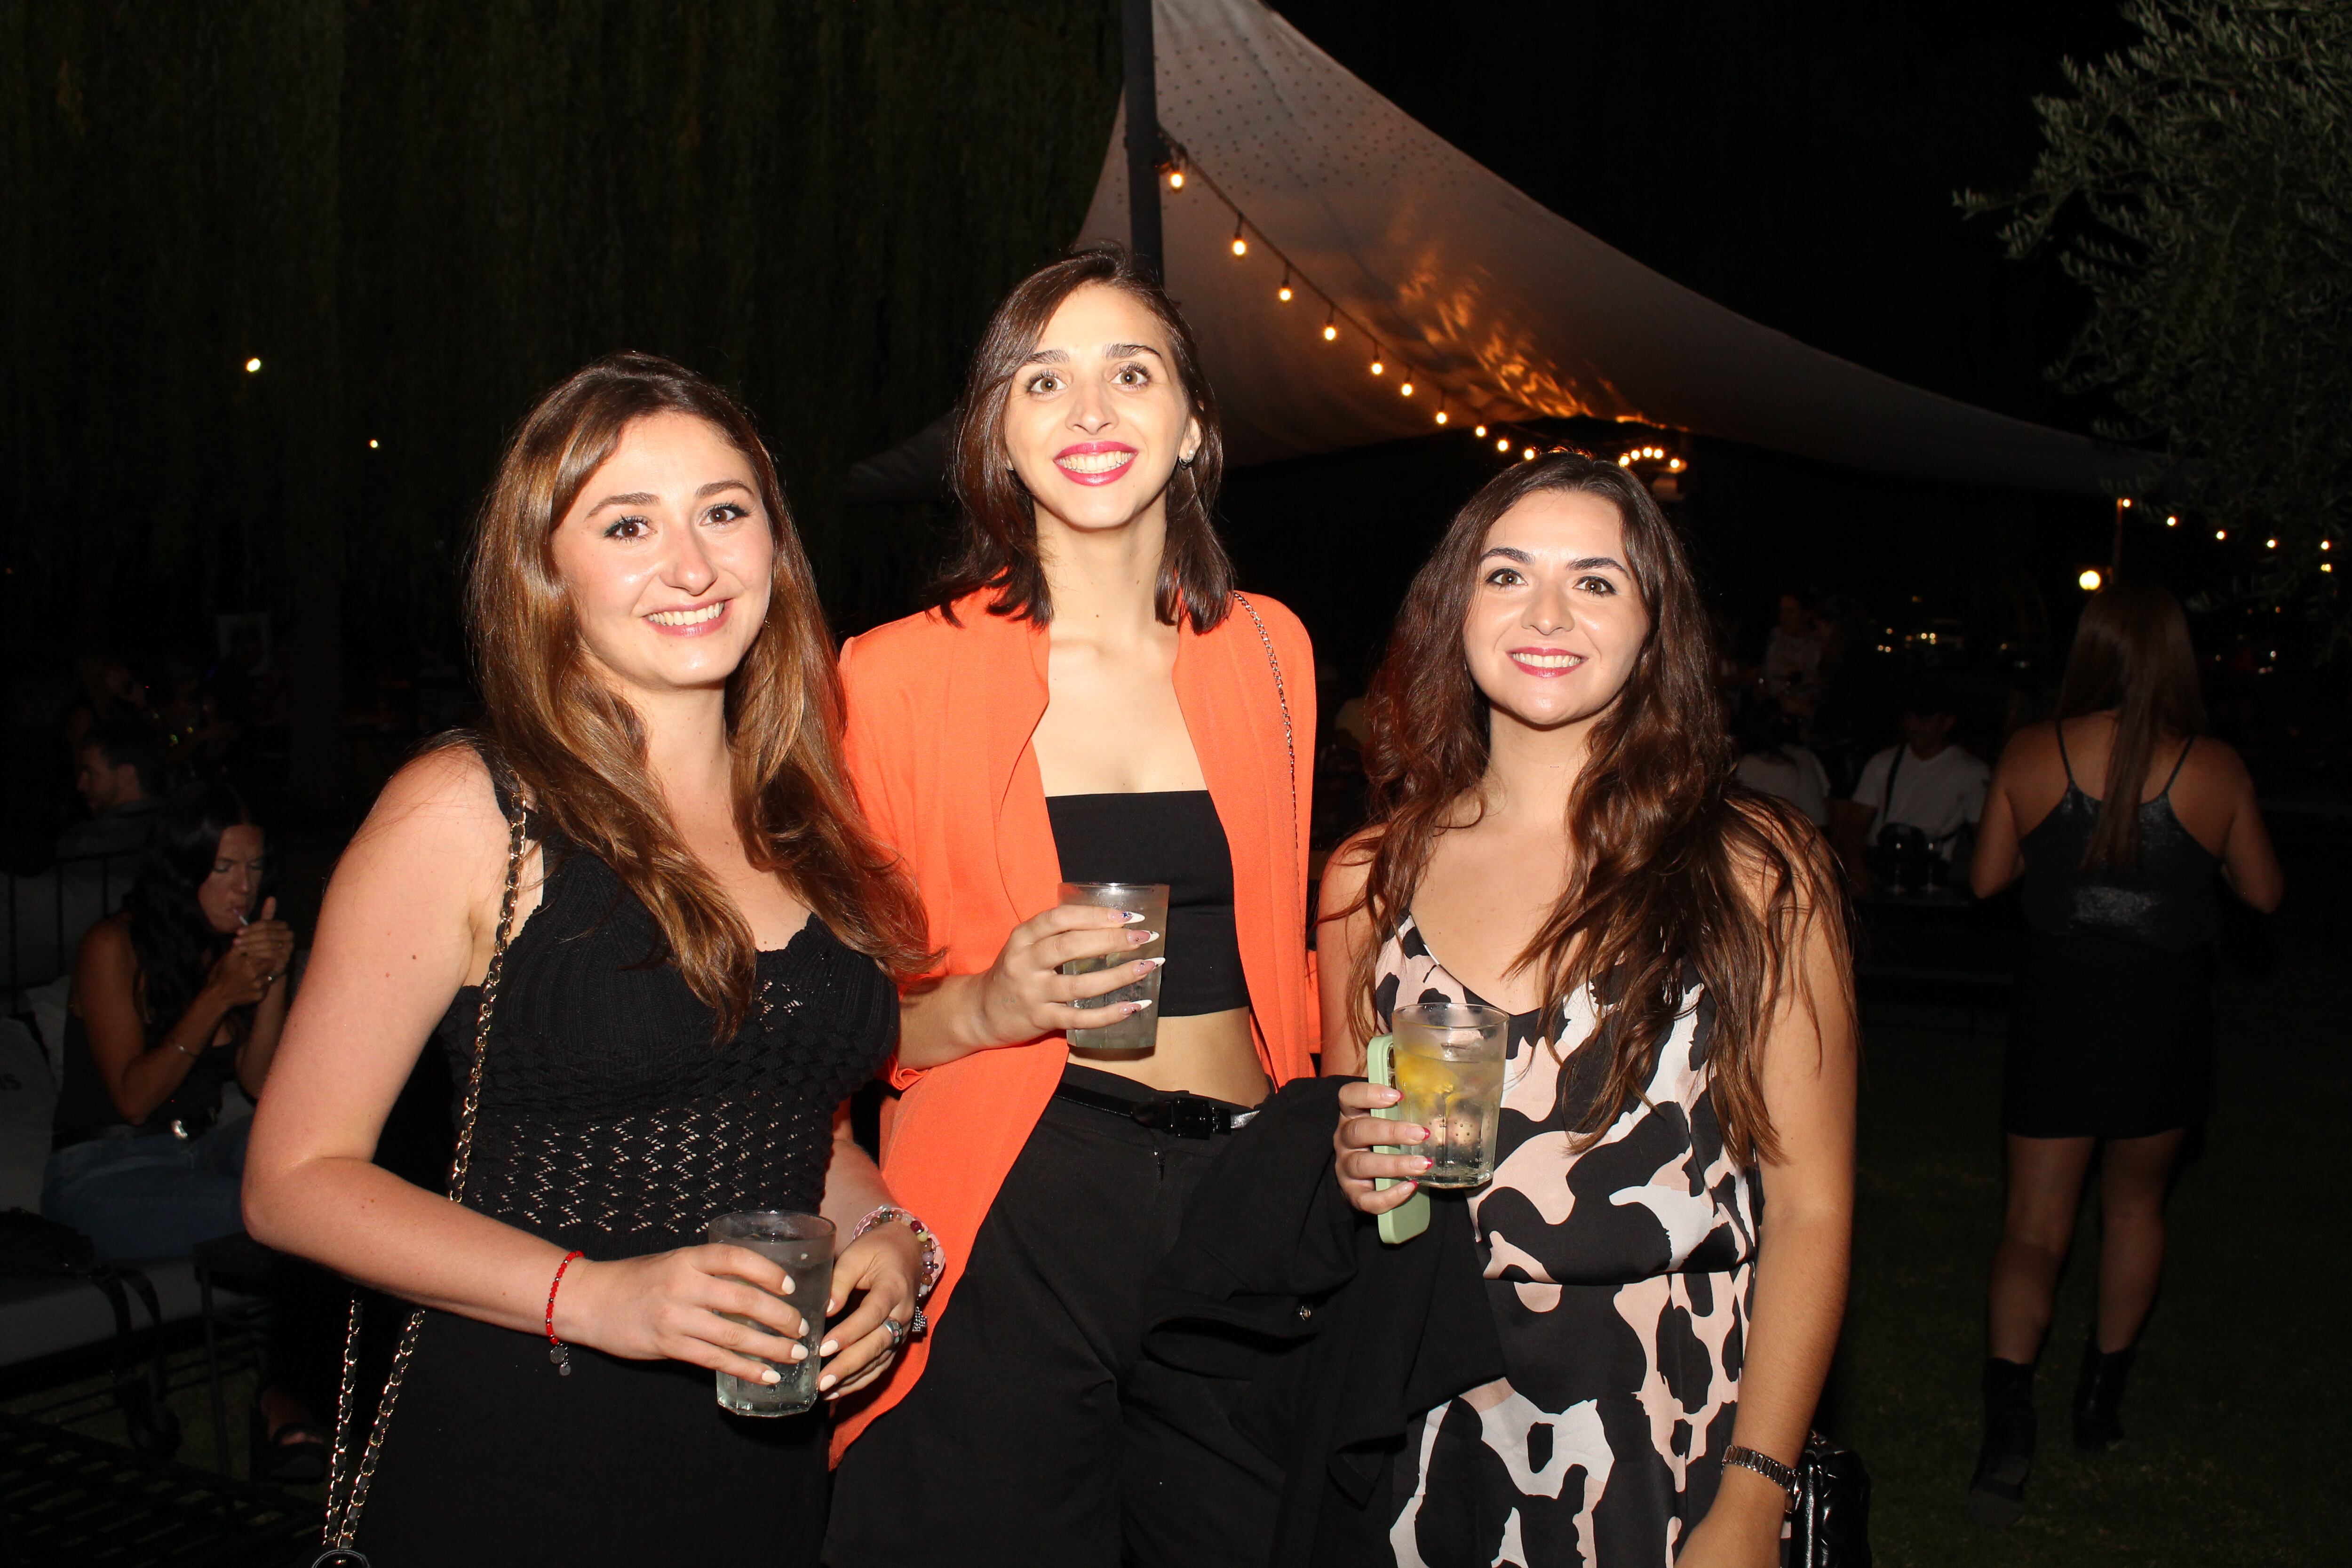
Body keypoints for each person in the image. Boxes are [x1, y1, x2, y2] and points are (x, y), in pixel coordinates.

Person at [241, 354, 934, 1566]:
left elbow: (793, 1121)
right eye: (628, 523)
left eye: (726, 511)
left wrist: (889, 1238)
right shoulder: (468, 812)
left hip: (757, 1470)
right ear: (546, 572)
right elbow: (293, 1177)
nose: (692, 564)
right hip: (526, 1449)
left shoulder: (805, 821)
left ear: (776, 544)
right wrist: (599, 1296)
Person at [824, 245, 1318, 1568]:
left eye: (1131, 372)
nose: (1091, 412)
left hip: (1242, 1194)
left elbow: (1285, 958)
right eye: (1044, 379)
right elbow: (829, 1022)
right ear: (996, 431)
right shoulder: (892, 677)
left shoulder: (1271, 648)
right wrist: (988, 1002)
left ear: (1193, 423)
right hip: (1023, 1195)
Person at [1323, 452, 1857, 1568]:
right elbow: (1356, 1179)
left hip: (1669, 1436)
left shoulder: (1756, 868)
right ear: (1454, 608)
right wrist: (1351, 1163)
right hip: (1424, 1438)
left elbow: (1808, 1205)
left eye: (1596, 581)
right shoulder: (1369, 879)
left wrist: (1753, 1498)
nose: (1548, 613)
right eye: (1507, 575)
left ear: (1654, 623)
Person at [1962, 581, 2280, 1525]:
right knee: (2136, 1205)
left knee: (2032, 1223)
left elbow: (1986, 878)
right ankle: (2097, 1404)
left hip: (2062, 1013)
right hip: (2160, 1019)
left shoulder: (2032, 750)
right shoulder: (2214, 766)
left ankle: (2008, 1426)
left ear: (2091, 651)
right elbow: (2263, 893)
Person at [41, 782, 318, 1476]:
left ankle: (329, 1383)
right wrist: (221, 994)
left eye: (254, 867)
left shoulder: (223, 948)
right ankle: (285, 1400)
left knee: (316, 1168)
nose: (243, 887)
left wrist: (275, 976)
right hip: (103, 1177)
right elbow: (134, 1099)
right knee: (266, 1211)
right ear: (183, 868)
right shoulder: (114, 945)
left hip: (196, 1150)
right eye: (223, 868)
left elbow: (260, 1084)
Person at [1834, 681, 1989, 891]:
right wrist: (1857, 869)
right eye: (1909, 717)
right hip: (1881, 871)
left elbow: (1985, 837)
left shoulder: (1972, 772)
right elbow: (1854, 824)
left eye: (1924, 718)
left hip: (1932, 879)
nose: (1913, 726)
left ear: (1948, 722)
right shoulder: (1883, 762)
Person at [58, 714, 167, 860]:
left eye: (90, 773)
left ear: (126, 775)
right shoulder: (178, 834)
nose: (80, 785)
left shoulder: (87, 843)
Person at [1732, 691, 1832, 827]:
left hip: (1788, 834)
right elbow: (1825, 803)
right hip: (1810, 832)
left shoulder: (1753, 763)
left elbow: (1742, 813)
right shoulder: (1805, 755)